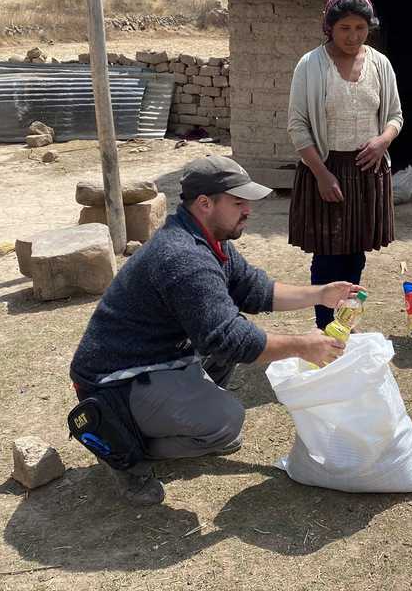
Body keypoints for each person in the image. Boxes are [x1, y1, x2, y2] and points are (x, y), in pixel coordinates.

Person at [70, 155, 361, 505]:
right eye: (238, 202)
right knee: (226, 421)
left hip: (156, 357)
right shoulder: (184, 257)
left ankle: (174, 419)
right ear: (205, 204)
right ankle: (119, 444)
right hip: (113, 382)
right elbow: (226, 338)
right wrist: (303, 346)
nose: (248, 210)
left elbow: (254, 289)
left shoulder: (210, 240)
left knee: (224, 359)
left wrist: (321, 294)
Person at [287, 0, 403, 329]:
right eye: (344, 28)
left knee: (355, 254)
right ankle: (325, 327)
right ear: (329, 28)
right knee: (327, 255)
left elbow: (395, 115)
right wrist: (321, 173)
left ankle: (346, 324)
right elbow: (297, 125)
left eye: (360, 28)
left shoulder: (380, 64)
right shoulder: (310, 65)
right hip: (325, 169)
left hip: (367, 171)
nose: (353, 36)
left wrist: (383, 141)